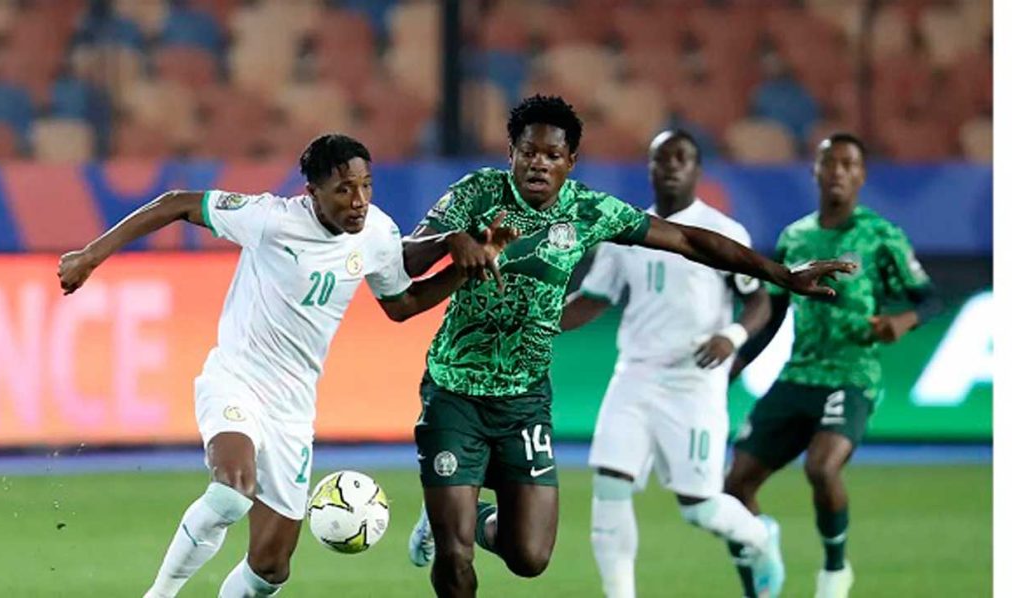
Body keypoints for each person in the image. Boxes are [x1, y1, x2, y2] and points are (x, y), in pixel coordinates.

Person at [401, 95, 853, 598]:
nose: (538, 164)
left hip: (523, 399)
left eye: (552, 155)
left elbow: (689, 241)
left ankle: (459, 512)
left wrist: (780, 273)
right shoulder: (477, 192)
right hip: (455, 389)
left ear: (570, 162)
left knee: (529, 556)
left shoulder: (590, 211)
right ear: (511, 153)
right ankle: (450, 518)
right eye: (528, 152)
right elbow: (406, 259)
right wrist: (451, 240)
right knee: (455, 554)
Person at [57, 134, 515, 598]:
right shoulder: (270, 219)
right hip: (236, 381)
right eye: (343, 189)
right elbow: (177, 202)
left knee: (270, 569)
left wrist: (467, 266)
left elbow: (403, 304)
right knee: (231, 493)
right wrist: (90, 257)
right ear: (312, 192)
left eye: (366, 186)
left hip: (292, 409)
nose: (358, 200)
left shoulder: (377, 233)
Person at [559, 129, 782, 598]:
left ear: (697, 170)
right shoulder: (625, 233)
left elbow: (759, 302)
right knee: (610, 487)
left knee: (699, 507)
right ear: (651, 168)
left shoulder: (723, 233)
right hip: (635, 375)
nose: (672, 166)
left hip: (694, 381)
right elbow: (594, 299)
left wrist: (731, 336)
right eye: (663, 158)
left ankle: (761, 538)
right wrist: (536, 320)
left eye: (683, 158)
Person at [724, 133, 941, 598]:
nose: (838, 171)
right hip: (798, 375)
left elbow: (929, 298)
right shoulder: (795, 237)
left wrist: (901, 321)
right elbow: (773, 313)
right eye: (830, 163)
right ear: (815, 172)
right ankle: (763, 554)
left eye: (849, 164)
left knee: (822, 468)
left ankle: (835, 571)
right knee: (734, 486)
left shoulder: (881, 236)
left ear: (861, 175)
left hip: (853, 374)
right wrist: (737, 361)